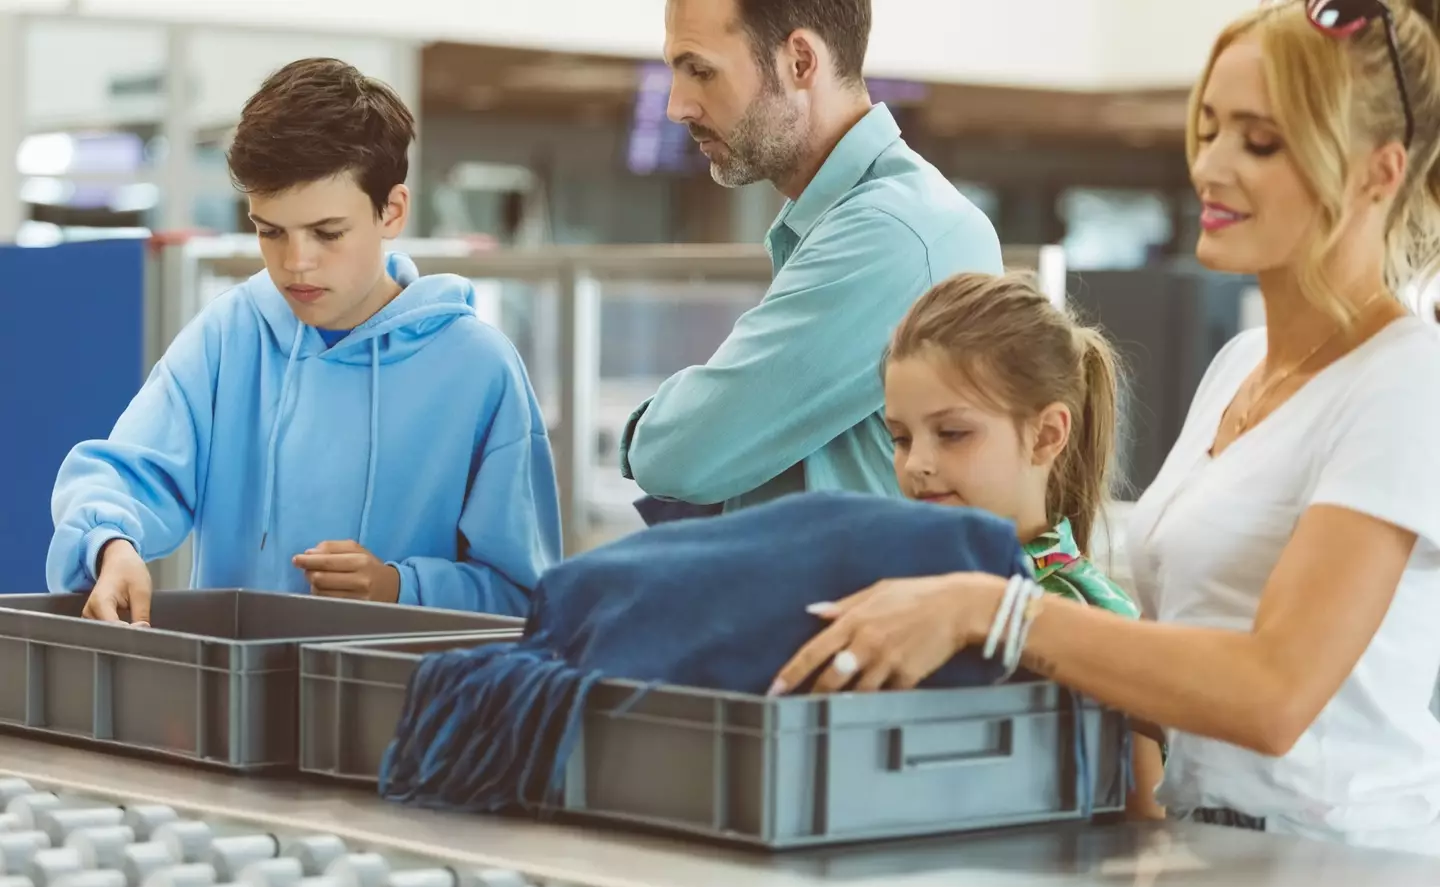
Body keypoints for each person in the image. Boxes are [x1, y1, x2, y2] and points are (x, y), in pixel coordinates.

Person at [774, 0, 1440, 854]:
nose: (1213, 166)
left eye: (1261, 142)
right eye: (1210, 129)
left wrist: (992, 610)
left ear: (1378, 174)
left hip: (1348, 874)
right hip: (1217, 854)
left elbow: (1274, 695)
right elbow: (1178, 664)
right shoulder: (1241, 364)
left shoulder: (1405, 377)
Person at [47, 58, 561, 622]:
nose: (296, 263)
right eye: (270, 232)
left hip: (405, 704)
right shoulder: (230, 336)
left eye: (326, 232)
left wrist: (398, 587)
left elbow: (524, 598)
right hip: (236, 697)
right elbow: (124, 474)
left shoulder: (479, 369)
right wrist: (110, 546)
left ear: (390, 210)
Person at [620, 0, 1002, 513]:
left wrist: (650, 428)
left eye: (701, 71)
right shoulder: (854, 220)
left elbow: (676, 455)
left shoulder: (893, 232)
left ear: (800, 62)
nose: (678, 106)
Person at [876, 271, 1163, 818]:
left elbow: (1146, 829)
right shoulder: (899, 590)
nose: (917, 464)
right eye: (900, 437)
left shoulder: (1087, 618)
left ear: (1048, 435)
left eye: (953, 433)